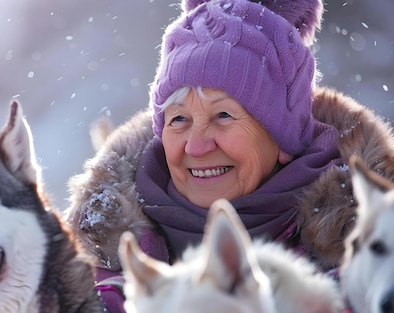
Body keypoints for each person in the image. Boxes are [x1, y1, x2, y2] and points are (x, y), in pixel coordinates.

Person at [63, 0, 394, 312]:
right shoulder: (85, 280)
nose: (196, 146)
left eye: (223, 116)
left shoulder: (375, 262)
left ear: (284, 138)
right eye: (178, 119)